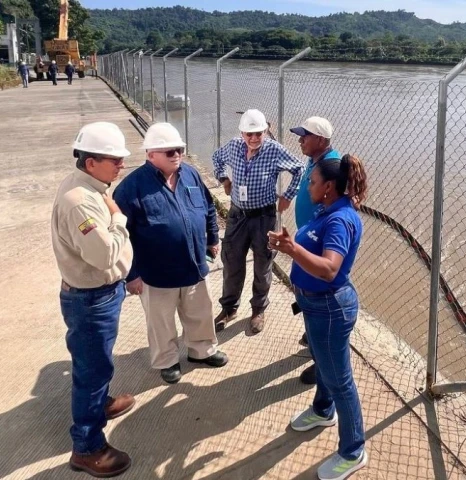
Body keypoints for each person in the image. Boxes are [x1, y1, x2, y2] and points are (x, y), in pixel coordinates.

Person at [269, 154, 369, 480]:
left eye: (311, 182)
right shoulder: (327, 210)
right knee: (324, 363)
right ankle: (323, 411)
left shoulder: (339, 220)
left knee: (341, 381)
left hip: (329, 308)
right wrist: (290, 244)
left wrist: (292, 250)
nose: (308, 186)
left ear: (328, 187)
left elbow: (329, 269)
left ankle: (353, 451)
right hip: (314, 306)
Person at [51, 122, 136, 477]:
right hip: (91, 298)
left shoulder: (90, 187)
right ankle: (86, 448)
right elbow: (103, 256)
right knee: (91, 370)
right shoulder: (81, 203)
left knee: (97, 363)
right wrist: (118, 219)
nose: (121, 166)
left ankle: (99, 405)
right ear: (90, 163)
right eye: (114, 160)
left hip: (97, 294)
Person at [113, 123, 228, 384]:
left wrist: (212, 239)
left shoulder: (190, 175)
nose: (176, 154)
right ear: (150, 154)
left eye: (179, 149)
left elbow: (208, 208)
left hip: (194, 266)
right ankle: (167, 360)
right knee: (161, 322)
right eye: (169, 151)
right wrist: (131, 274)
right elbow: (120, 236)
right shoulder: (131, 188)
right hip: (156, 273)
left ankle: (202, 351)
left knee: (200, 312)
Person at [211, 109, 304, 335]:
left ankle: (258, 310)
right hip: (237, 216)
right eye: (249, 134)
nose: (253, 139)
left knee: (263, 265)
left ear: (265, 131)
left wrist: (288, 196)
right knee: (232, 262)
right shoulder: (233, 146)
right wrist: (224, 179)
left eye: (258, 134)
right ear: (242, 133)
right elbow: (216, 158)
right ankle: (229, 308)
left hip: (263, 217)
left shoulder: (274, 150)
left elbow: (299, 168)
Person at [289, 116, 341, 385]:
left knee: (323, 308)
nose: (300, 140)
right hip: (308, 241)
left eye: (305, 136)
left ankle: (322, 366)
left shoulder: (333, 167)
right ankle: (312, 339)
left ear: (320, 140)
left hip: (321, 249)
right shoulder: (314, 161)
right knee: (309, 301)